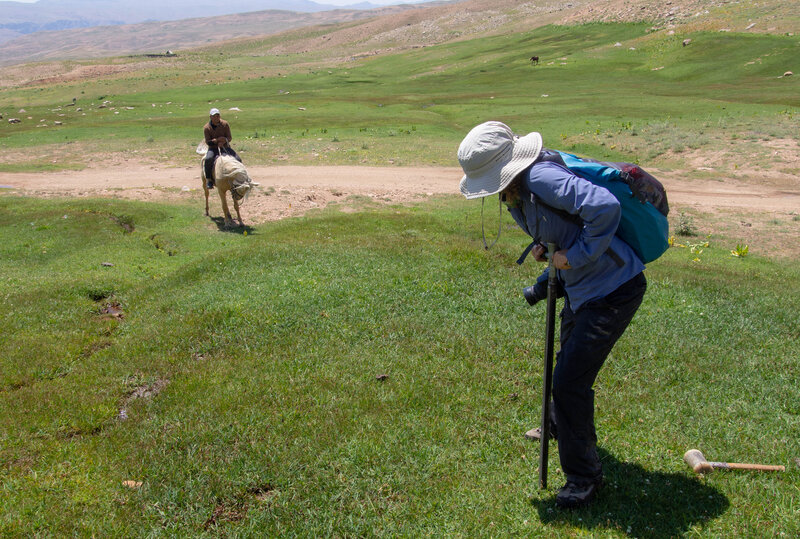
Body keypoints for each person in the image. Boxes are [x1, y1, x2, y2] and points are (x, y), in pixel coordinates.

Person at [457, 121, 647, 509]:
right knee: (564, 366)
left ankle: (583, 478)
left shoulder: (540, 177)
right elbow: (561, 228)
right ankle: (558, 427)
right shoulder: (517, 193)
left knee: (569, 382)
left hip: (612, 289)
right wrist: (548, 251)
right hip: (580, 289)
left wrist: (572, 257)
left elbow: (604, 208)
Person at [203, 108, 242, 189]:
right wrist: (215, 141)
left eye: (218, 116)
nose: (216, 118)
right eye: (214, 116)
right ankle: (209, 179)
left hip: (225, 147)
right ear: (210, 117)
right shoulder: (207, 128)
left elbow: (229, 137)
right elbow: (207, 142)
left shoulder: (225, 124)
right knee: (208, 159)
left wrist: (224, 141)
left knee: (238, 159)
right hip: (213, 148)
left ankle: (240, 178)